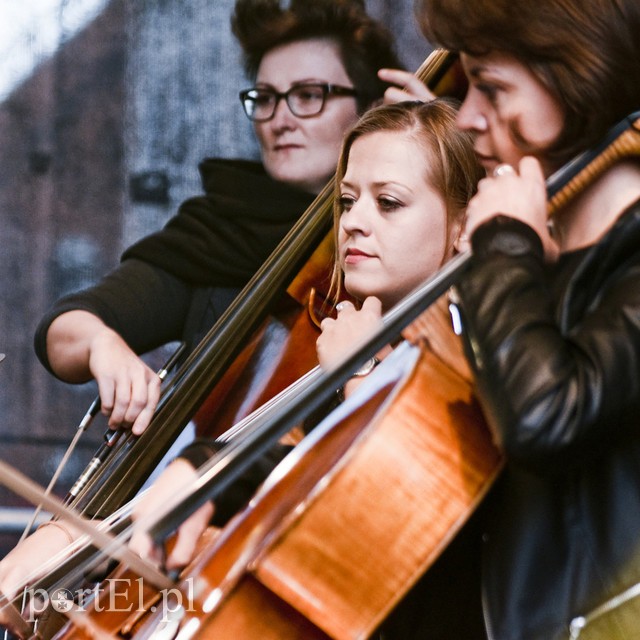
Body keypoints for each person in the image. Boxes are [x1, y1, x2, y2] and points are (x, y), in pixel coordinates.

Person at [0, 0, 404, 607]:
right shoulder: (222, 227)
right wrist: (104, 344)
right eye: (265, 97)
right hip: (174, 555)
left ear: (373, 106)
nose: (279, 118)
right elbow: (64, 333)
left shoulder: (407, 250)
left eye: (309, 95)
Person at [405, 0, 640, 638]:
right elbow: (415, 429)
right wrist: (217, 476)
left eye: (491, 87)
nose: (470, 119)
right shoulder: (532, 252)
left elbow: (546, 415)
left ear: (577, 78)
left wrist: (507, 247)